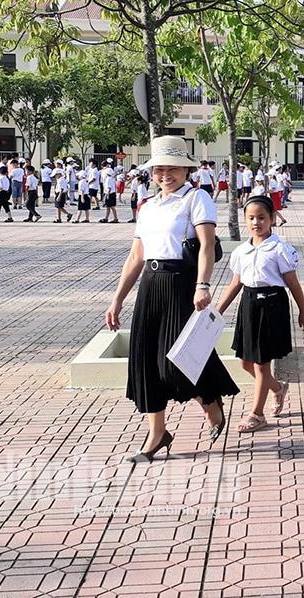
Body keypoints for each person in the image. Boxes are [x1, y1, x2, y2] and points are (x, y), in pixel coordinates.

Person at [105, 135, 239, 462]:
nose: (165, 174)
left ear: (185, 169)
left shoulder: (196, 198)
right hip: (150, 285)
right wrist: (117, 299)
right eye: (159, 169)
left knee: (178, 360)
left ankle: (210, 401)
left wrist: (203, 285)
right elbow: (136, 256)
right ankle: (157, 432)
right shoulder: (148, 207)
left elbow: (206, 246)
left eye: (173, 168)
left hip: (182, 283)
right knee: (145, 360)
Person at [217, 195, 304, 434]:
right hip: (248, 305)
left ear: (272, 219)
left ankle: (257, 414)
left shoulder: (280, 249)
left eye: (261, 217)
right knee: (245, 362)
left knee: (261, 364)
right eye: (251, 218)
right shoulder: (242, 250)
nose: (256, 222)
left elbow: (293, 283)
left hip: (272, 306)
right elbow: (236, 283)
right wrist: (217, 311)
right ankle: (278, 388)